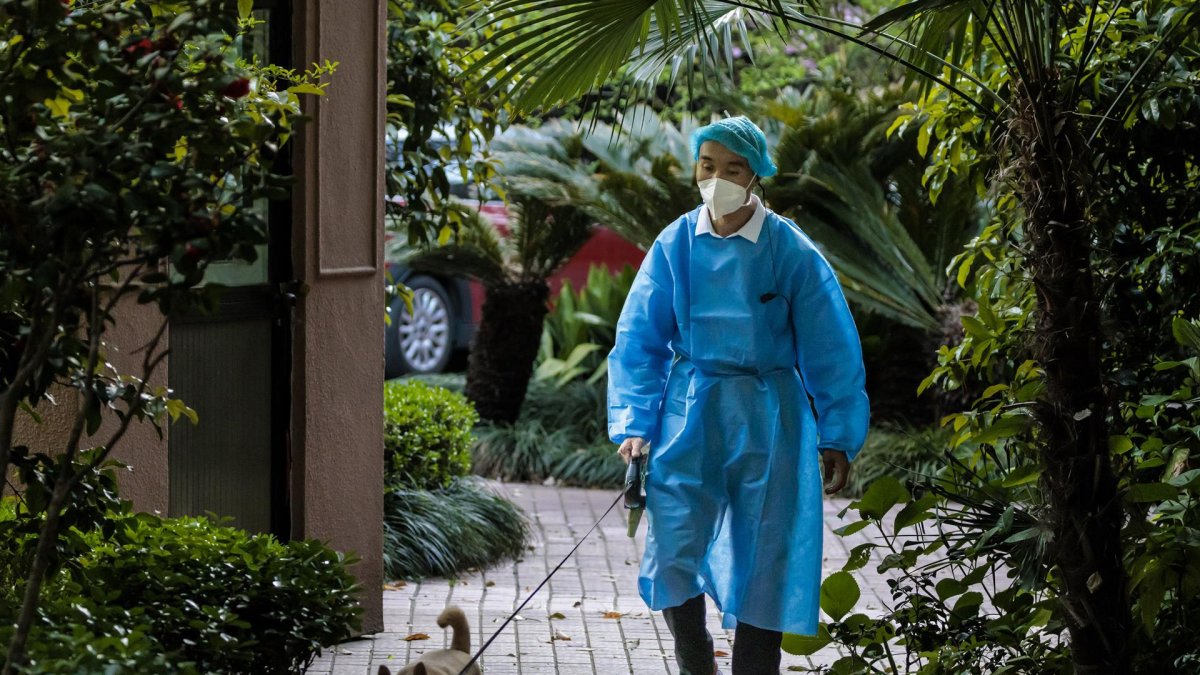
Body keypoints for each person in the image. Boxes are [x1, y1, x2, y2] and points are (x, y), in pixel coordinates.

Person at [607, 116, 870, 675]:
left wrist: (837, 435)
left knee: (767, 554)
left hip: (770, 415)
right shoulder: (675, 243)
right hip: (689, 412)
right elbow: (638, 341)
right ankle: (693, 656)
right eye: (708, 166)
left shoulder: (789, 250)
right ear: (695, 169)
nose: (717, 178)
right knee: (674, 542)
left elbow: (831, 347)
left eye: (733, 168)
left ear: (756, 175)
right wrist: (635, 422)